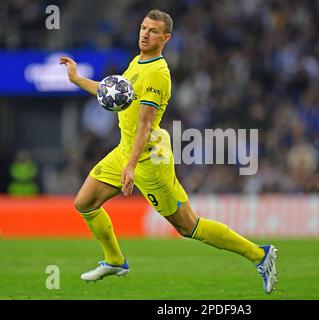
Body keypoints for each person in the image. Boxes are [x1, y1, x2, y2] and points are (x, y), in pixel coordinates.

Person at [60, 9, 278, 294]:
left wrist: (131, 166)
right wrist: (77, 79)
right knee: (85, 202)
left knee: (188, 227)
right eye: (143, 27)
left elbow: (145, 125)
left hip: (149, 159)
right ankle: (115, 260)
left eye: (152, 31)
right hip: (125, 150)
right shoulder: (137, 62)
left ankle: (260, 255)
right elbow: (112, 94)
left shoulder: (157, 74)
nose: (145, 33)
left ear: (165, 38)